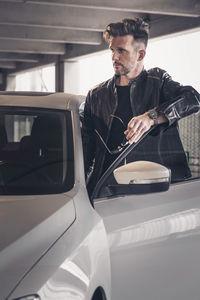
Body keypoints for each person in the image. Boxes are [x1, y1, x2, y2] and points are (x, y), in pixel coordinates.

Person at [81, 17, 200, 196]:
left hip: (157, 193)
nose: (114, 57)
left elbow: (193, 99)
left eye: (121, 50)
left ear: (141, 55)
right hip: (106, 194)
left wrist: (151, 117)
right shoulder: (96, 95)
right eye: (112, 50)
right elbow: (86, 153)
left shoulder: (158, 81)